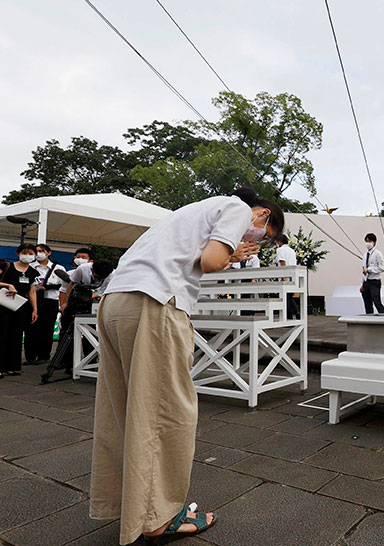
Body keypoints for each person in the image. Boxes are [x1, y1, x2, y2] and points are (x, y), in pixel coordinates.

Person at [90, 187, 282, 545]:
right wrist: (228, 256)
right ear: (263, 216)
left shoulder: (190, 211)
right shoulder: (238, 209)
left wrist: (226, 253)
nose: (254, 237)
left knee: (124, 409)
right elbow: (211, 261)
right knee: (167, 412)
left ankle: (127, 504)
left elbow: (191, 255)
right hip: (155, 303)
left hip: (116, 302)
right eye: (262, 235)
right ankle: (159, 518)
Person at [0, 244, 40, 378]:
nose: (27, 256)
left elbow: (32, 292)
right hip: (0, 306)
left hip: (19, 307)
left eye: (30, 253)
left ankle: (11, 366)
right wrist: (8, 285)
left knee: (15, 337)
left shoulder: (33, 272)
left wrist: (35, 309)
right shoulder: (6, 266)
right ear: (18, 254)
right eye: (24, 253)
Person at [24, 243, 67, 365]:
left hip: (50, 300)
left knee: (46, 329)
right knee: (31, 328)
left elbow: (64, 285)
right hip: (33, 300)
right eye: (36, 251)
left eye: (41, 251)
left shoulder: (58, 268)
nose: (39, 253)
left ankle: (44, 355)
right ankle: (30, 356)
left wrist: (47, 287)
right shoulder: (30, 267)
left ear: (48, 253)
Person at [274, 234, 300, 319]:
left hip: (285, 275)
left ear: (280, 242)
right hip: (293, 275)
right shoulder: (292, 250)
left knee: (286, 298)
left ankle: (289, 316)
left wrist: (283, 277)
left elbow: (282, 262)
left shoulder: (280, 250)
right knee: (289, 296)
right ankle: (296, 313)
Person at [360, 233, 384, 314]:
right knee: (367, 303)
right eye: (366, 241)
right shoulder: (365, 255)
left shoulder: (378, 254)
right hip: (366, 282)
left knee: (376, 301)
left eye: (369, 241)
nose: (367, 243)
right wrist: (362, 283)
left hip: (374, 281)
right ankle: (369, 318)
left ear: (374, 242)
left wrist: (370, 270)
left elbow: (382, 268)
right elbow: (364, 269)